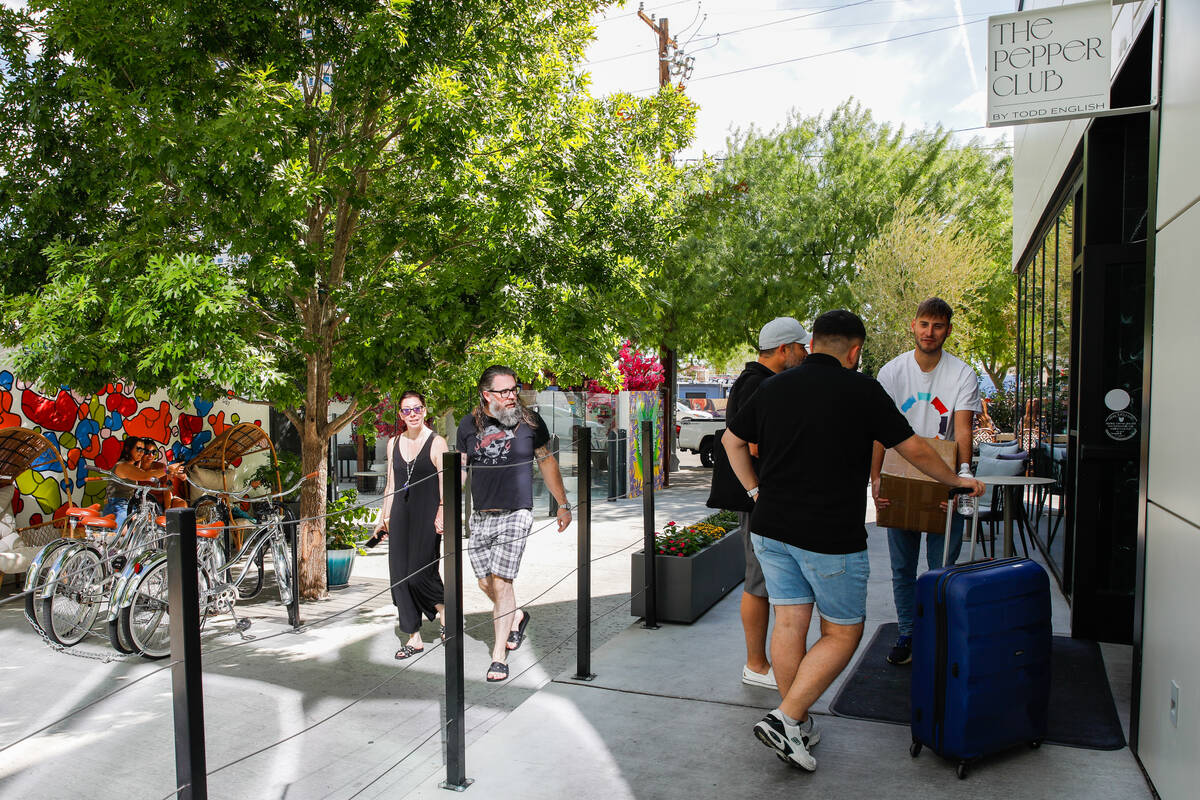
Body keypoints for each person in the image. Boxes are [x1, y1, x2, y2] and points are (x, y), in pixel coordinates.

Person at [724, 309, 983, 772]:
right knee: (842, 631)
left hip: (770, 527)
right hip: (829, 536)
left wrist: (755, 491)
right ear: (855, 350)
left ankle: (797, 722)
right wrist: (957, 481)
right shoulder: (863, 390)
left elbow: (731, 441)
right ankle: (786, 718)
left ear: (814, 342)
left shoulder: (773, 387)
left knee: (789, 624)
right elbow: (916, 448)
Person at [871, 297, 982, 667]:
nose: (929, 332)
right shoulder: (891, 372)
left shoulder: (962, 374)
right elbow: (876, 431)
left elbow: (963, 428)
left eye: (937, 326)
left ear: (947, 329)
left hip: (942, 475)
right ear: (913, 326)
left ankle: (936, 635)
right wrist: (875, 479)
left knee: (941, 569)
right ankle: (907, 632)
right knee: (902, 568)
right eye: (924, 324)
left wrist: (962, 478)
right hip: (898, 474)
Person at [457, 366, 572, 683]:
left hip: (517, 512)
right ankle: (516, 616)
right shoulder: (468, 425)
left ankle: (498, 657)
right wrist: (445, 504)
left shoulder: (531, 421)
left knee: (503, 582)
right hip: (480, 514)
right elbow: (463, 468)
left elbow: (546, 461)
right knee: (486, 583)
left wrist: (562, 504)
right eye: (504, 391)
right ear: (486, 394)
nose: (511, 396)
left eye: (514, 389)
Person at [726, 317, 810, 690]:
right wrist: (758, 490)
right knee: (757, 580)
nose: (806, 354)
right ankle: (756, 665)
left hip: (761, 496)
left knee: (762, 579)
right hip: (758, 497)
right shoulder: (759, 384)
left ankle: (761, 663)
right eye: (802, 347)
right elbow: (754, 442)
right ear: (784, 350)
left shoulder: (756, 381)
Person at [373, 391, 449, 659]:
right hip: (401, 515)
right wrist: (382, 519)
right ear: (400, 415)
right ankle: (413, 637)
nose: (412, 414)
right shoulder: (393, 443)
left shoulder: (437, 442)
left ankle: (444, 612)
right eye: (406, 411)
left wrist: (442, 512)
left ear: (425, 411)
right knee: (399, 577)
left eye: (416, 409)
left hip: (428, 515)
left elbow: (445, 484)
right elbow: (391, 485)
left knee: (420, 573)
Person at [102, 436, 184, 529]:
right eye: (138, 449)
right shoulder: (123, 466)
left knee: (148, 527)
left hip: (128, 505)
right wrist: (167, 469)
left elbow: (148, 474)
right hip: (117, 506)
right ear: (128, 449)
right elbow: (146, 476)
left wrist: (174, 473)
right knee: (136, 531)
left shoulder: (133, 466)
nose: (141, 453)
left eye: (143, 450)